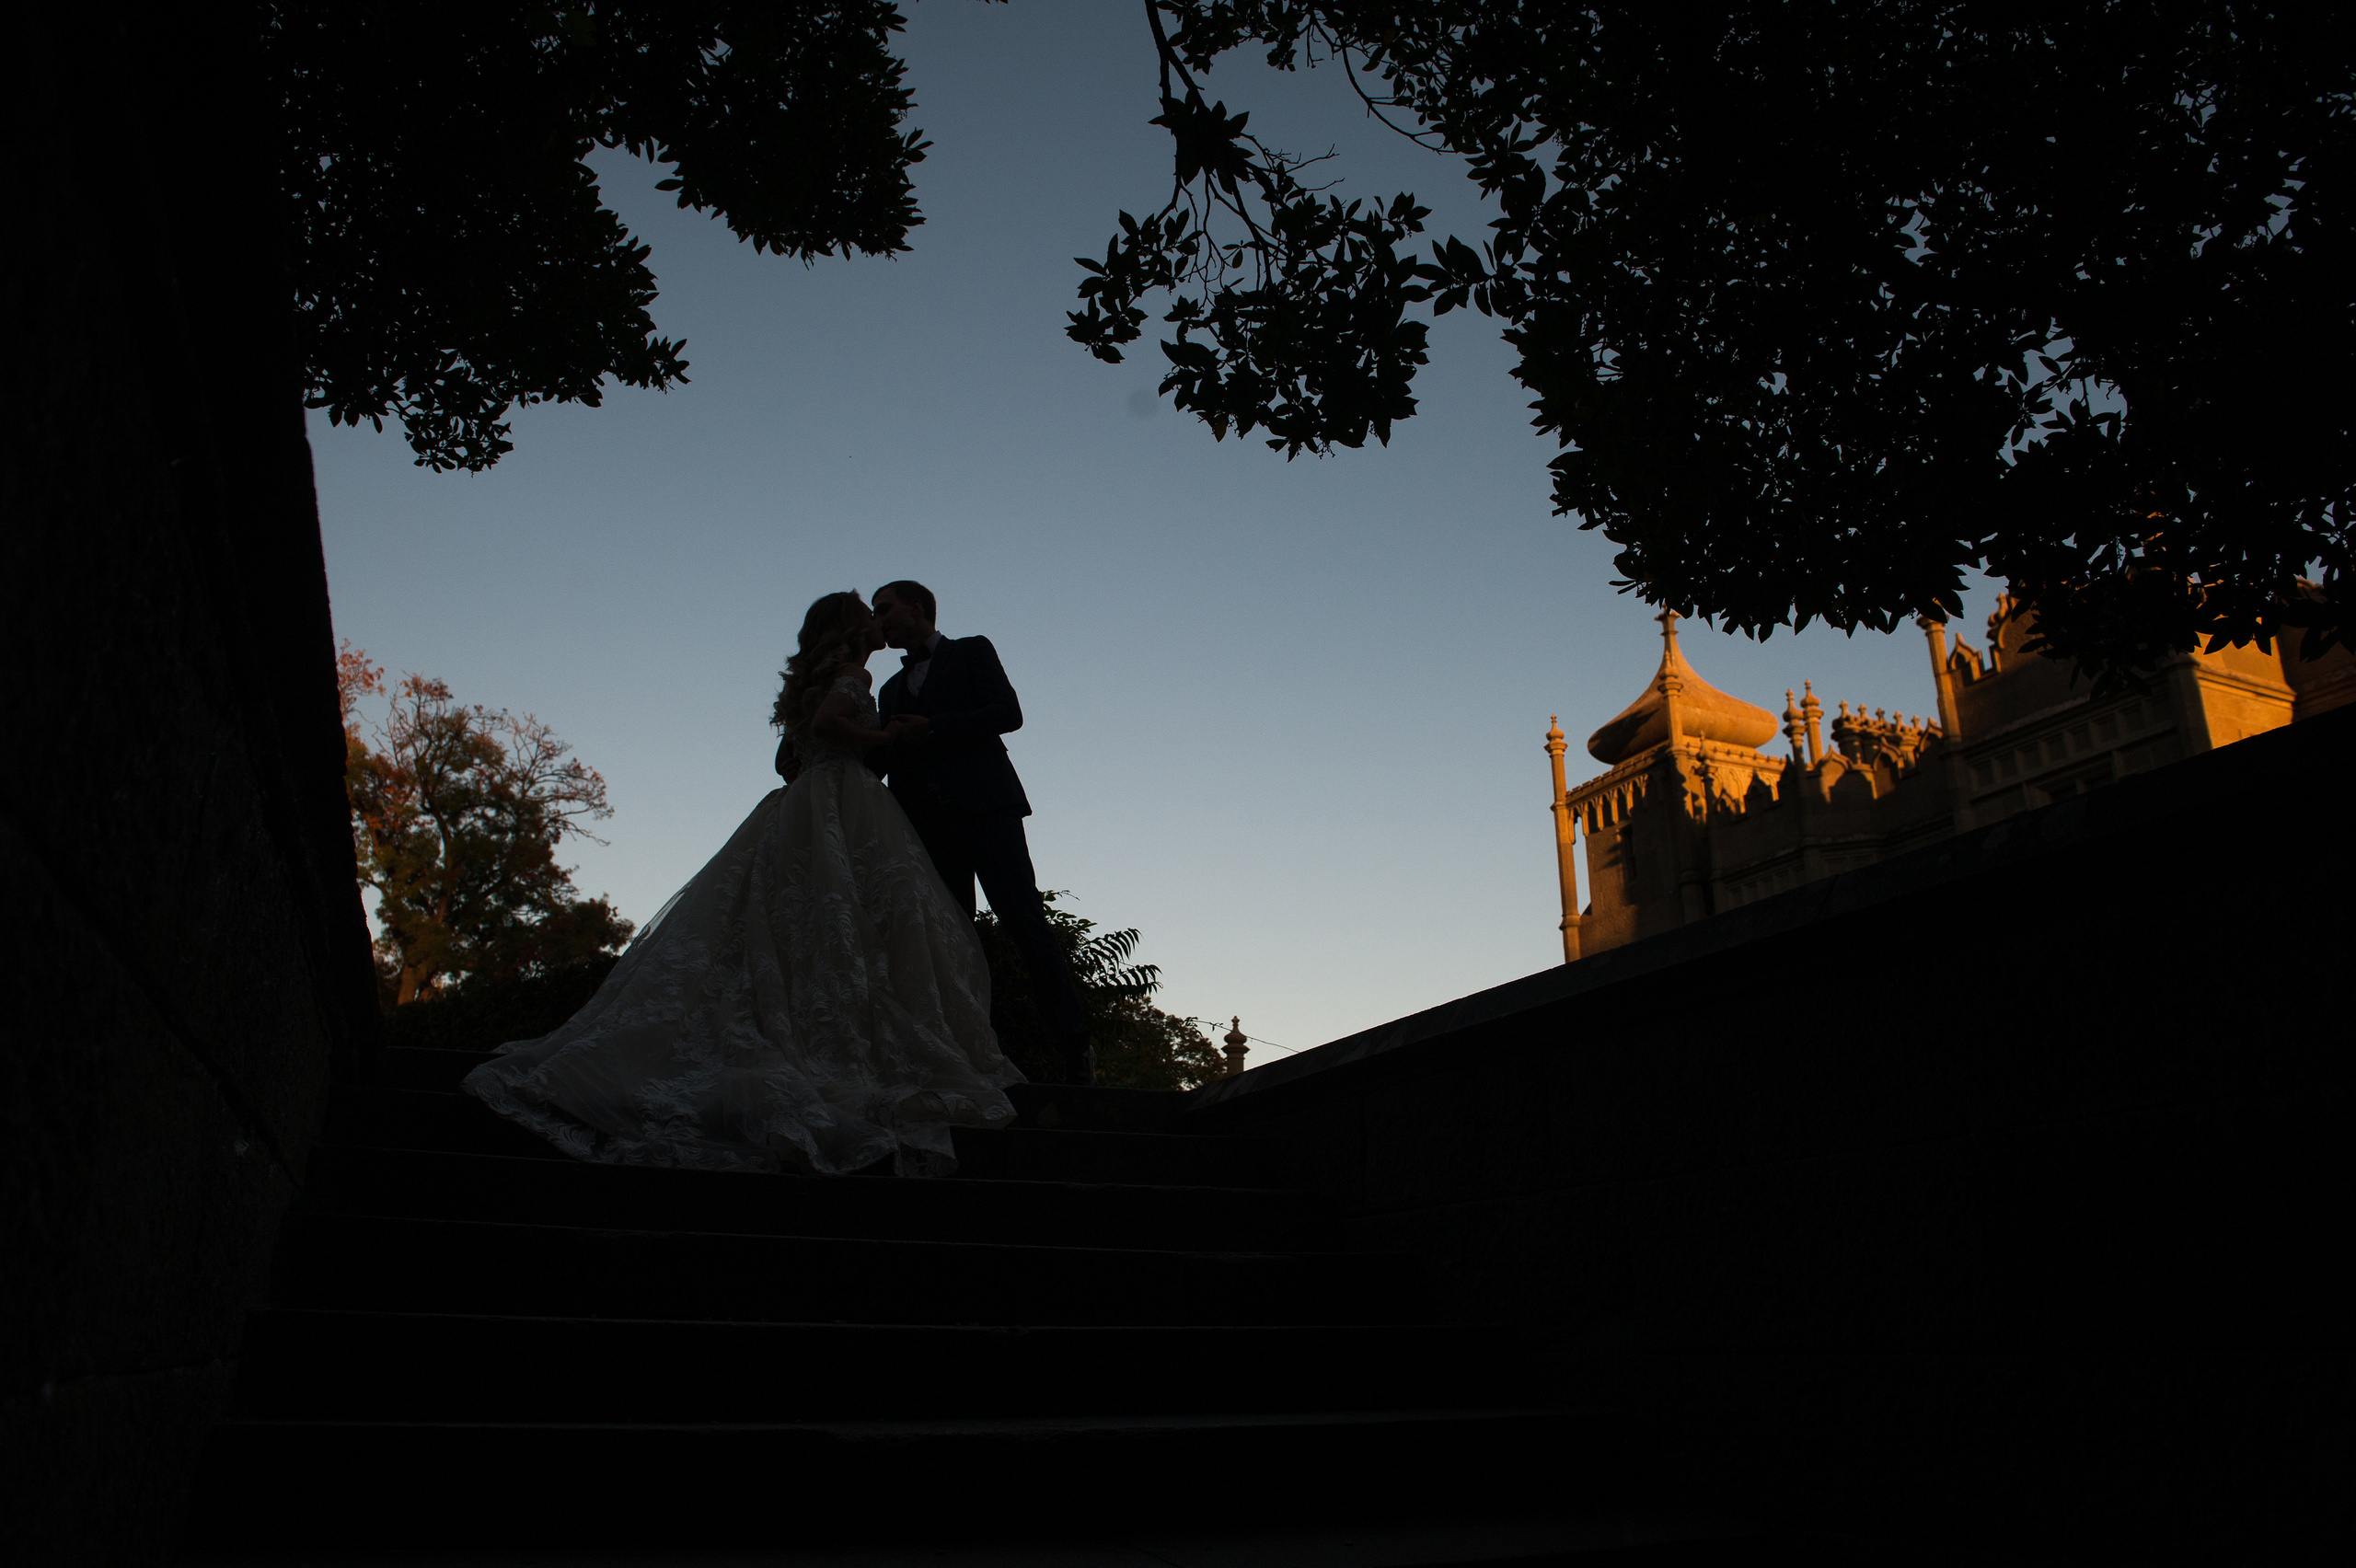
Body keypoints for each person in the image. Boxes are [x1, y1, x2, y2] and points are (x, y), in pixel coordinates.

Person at [463, 592, 1022, 1176]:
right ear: (855, 629)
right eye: (870, 614)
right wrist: (887, 740)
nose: (879, 621)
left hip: (804, 803)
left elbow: (790, 757)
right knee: (851, 918)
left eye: (887, 610)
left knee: (795, 920)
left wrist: (838, 755)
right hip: (842, 803)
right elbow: (832, 724)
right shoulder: (857, 675)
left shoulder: (824, 677)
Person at [868, 580, 1095, 1085]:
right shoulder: (885, 689)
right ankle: (971, 1055)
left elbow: (1007, 713)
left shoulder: (972, 650)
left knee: (1025, 924)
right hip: (924, 826)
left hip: (986, 809)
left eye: (885, 608)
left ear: (918, 607)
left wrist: (932, 727)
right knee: (950, 942)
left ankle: (1075, 1048)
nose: (877, 618)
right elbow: (880, 759)